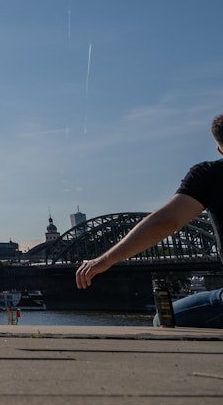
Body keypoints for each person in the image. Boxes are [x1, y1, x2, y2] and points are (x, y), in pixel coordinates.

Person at [75, 113, 223, 328]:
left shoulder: (209, 175)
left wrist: (105, 260)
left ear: (219, 149)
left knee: (165, 318)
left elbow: (165, 222)